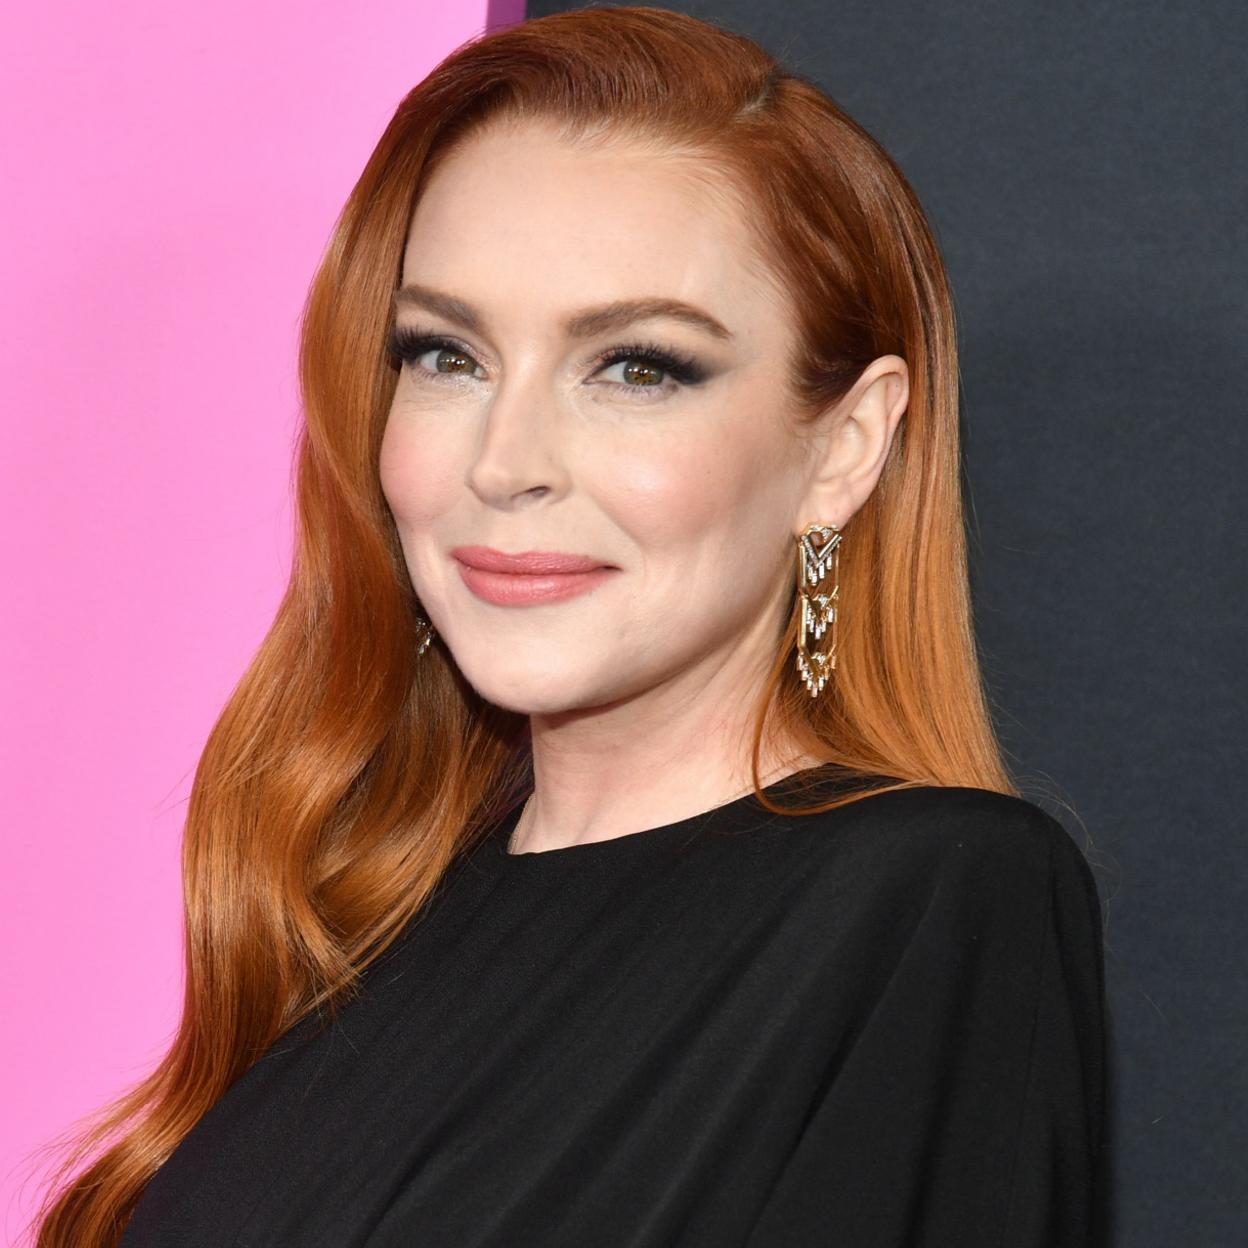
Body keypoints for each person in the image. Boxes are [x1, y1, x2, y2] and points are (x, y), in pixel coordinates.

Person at [30, 6, 1106, 1246]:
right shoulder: (356, 912)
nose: (505, 462)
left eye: (636, 366)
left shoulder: (933, 901)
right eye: (447, 356)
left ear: (844, 448)